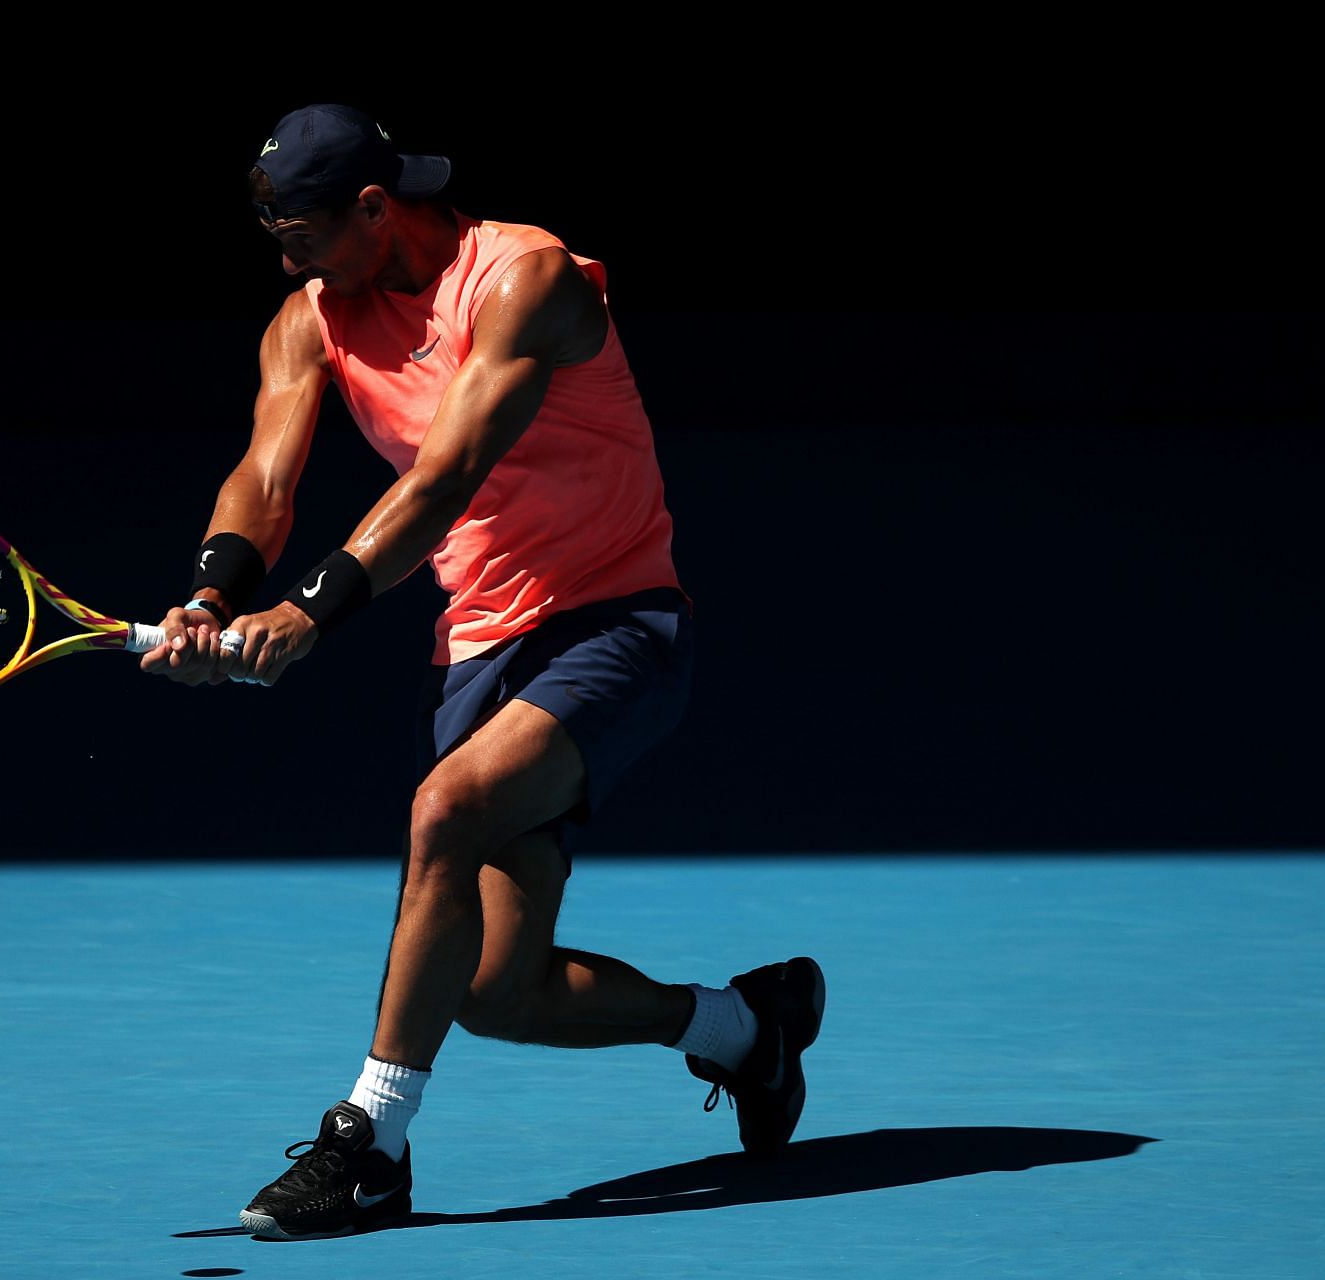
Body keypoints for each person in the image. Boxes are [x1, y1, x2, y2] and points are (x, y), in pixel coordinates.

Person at [139, 102, 826, 1241]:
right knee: (497, 987)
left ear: (374, 208)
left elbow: (447, 471)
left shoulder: (527, 278)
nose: (284, 257)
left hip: (616, 622)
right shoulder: (309, 319)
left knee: (445, 809)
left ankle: (368, 1147)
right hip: (480, 645)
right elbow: (264, 476)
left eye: (300, 231)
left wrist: (309, 611)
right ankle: (747, 1028)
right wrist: (213, 596)